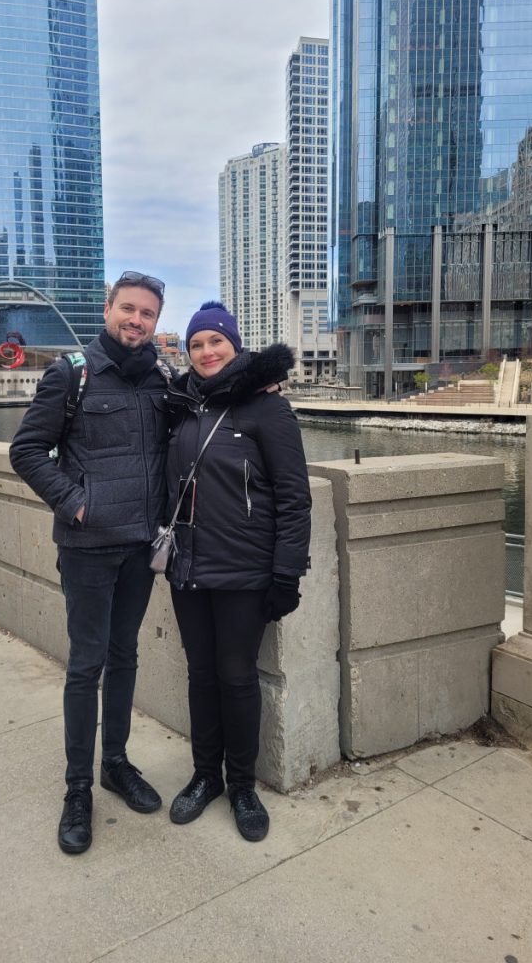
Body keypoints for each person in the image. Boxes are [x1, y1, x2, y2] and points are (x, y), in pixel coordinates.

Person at [9, 271, 171, 855]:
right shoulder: (70, 373)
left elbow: (209, 409)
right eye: (127, 309)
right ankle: (78, 788)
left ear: (156, 321)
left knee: (125, 655)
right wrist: (77, 505)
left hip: (140, 547)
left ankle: (116, 764)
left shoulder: (163, 378)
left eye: (147, 313)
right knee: (86, 664)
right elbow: (25, 450)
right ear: (108, 310)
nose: (136, 320)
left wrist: (264, 391)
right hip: (87, 548)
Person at [163, 301, 311, 842]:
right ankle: (206, 778)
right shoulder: (179, 406)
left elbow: (295, 499)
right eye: (197, 344)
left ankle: (242, 786)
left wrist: (286, 573)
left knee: (237, 676)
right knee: (200, 676)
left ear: (235, 346)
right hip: (187, 566)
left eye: (215, 343)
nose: (205, 353)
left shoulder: (267, 409)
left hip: (246, 571)